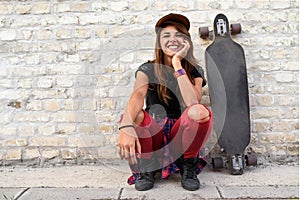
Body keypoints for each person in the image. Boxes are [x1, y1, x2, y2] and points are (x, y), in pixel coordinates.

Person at [117, 13, 213, 191]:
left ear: (186, 41)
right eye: (166, 35)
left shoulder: (195, 71)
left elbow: (192, 102)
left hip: (181, 134)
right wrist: (126, 126)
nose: (172, 39)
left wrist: (178, 64)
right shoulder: (147, 68)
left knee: (199, 111)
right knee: (135, 114)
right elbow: (137, 96)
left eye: (178, 35)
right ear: (159, 42)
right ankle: (147, 166)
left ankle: (188, 165)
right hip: (154, 134)